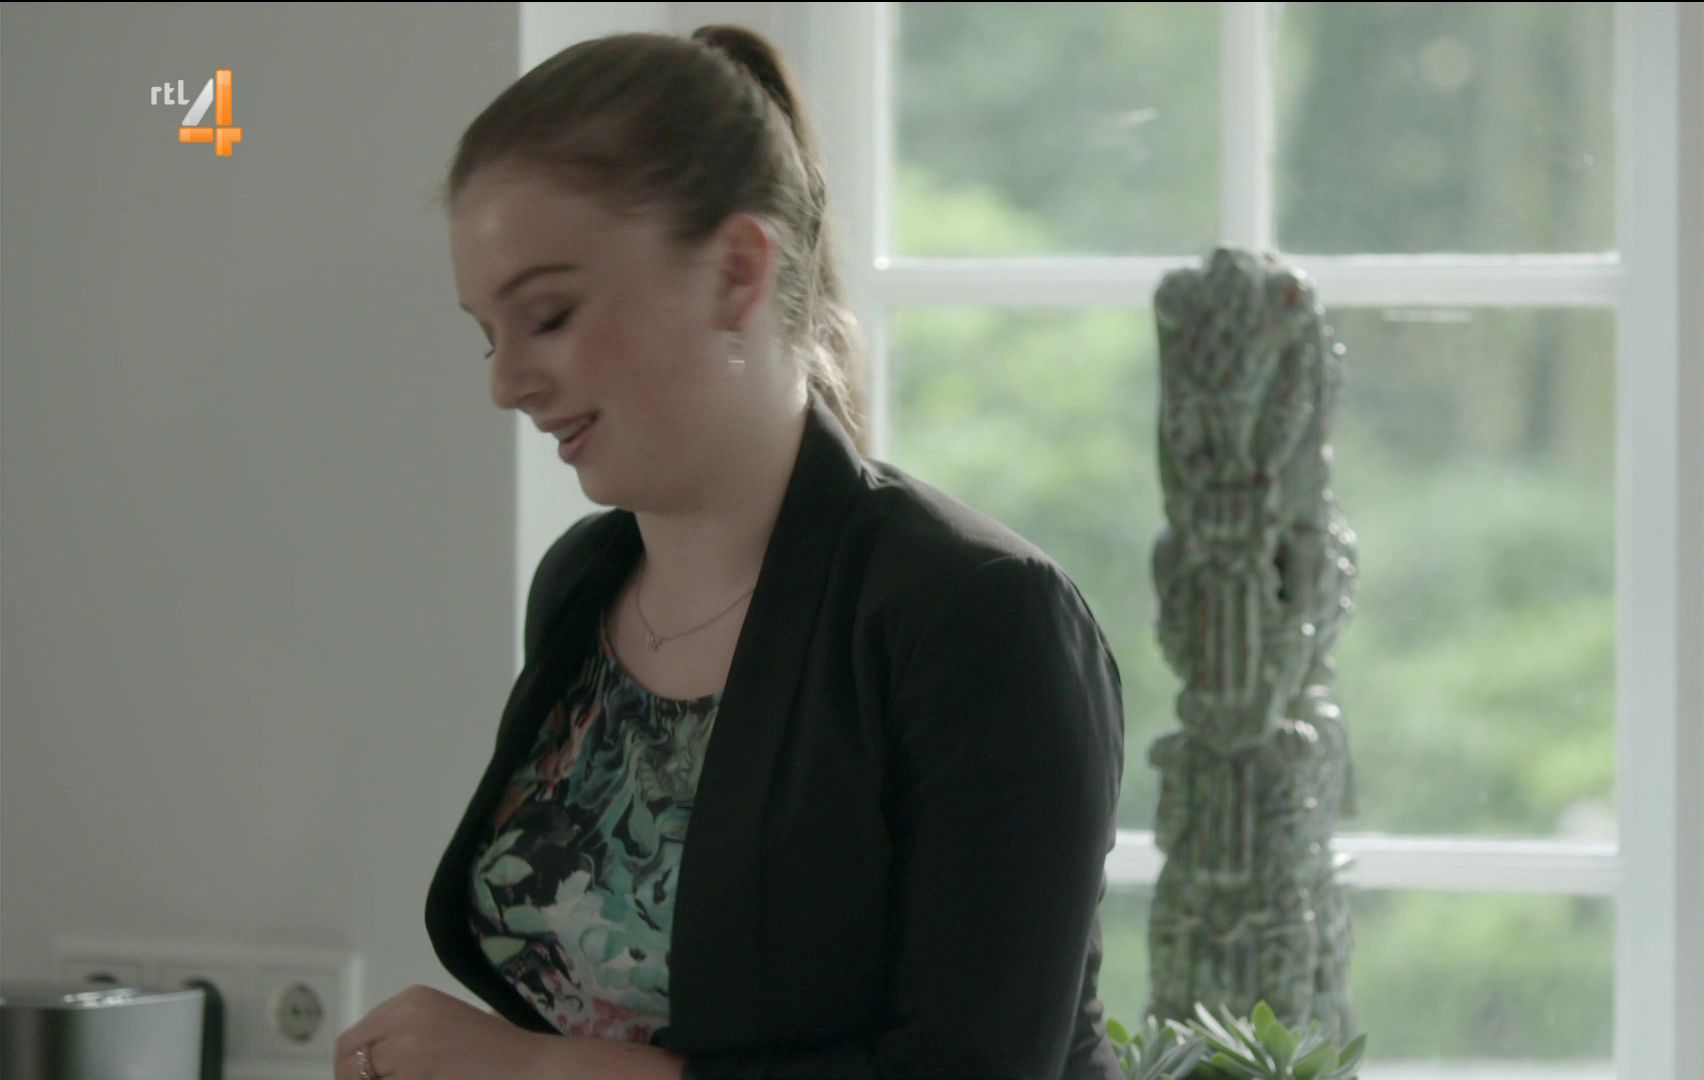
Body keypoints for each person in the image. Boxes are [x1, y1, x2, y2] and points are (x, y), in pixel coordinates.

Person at [335, 25, 1125, 1080]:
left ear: (738, 271)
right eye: (489, 333)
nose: (505, 383)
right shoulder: (581, 586)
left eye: (549, 317)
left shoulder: (980, 616)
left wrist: (530, 1069)